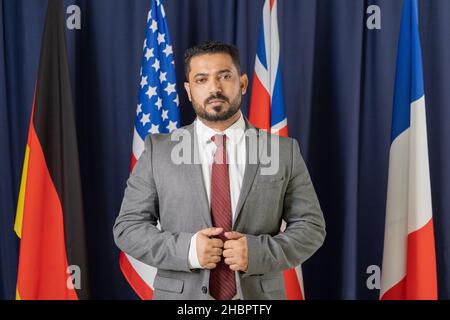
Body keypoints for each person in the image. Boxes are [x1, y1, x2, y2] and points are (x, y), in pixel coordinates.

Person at [113, 41, 325, 300]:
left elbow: (311, 227)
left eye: (225, 76)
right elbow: (128, 228)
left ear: (243, 83)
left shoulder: (283, 151)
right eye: (202, 80)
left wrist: (258, 253)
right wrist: (189, 250)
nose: (214, 88)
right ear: (189, 91)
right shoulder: (158, 151)